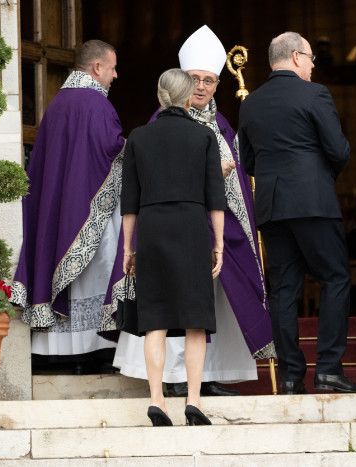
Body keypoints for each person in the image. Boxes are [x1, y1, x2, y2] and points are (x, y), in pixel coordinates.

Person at [112, 25, 274, 398]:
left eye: (209, 81)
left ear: (218, 85)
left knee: (207, 305)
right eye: (194, 79)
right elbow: (147, 179)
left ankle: (207, 375)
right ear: (181, 82)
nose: (201, 87)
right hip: (175, 226)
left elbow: (233, 175)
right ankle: (171, 377)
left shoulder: (220, 125)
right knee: (169, 302)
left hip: (214, 224)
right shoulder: (158, 123)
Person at [238, 31, 356, 395]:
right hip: (312, 202)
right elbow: (338, 150)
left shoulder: (252, 103)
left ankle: (292, 375)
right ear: (296, 57)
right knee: (336, 278)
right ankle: (328, 370)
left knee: (283, 291)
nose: (312, 65)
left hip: (273, 207)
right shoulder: (315, 93)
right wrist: (319, 176)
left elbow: (248, 161)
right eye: (310, 58)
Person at [121, 69, 226, 426]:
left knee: (156, 321)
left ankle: (157, 400)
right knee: (196, 321)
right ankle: (194, 402)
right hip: (192, 228)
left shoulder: (138, 137)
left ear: (161, 95)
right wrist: (220, 244)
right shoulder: (203, 136)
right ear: (186, 97)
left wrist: (127, 248)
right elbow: (216, 198)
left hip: (152, 229)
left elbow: (129, 201)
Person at [13, 40, 124, 365]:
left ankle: (59, 355)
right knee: (98, 269)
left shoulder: (58, 104)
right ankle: (95, 350)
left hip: (58, 210)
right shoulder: (98, 106)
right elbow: (111, 152)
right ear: (97, 67)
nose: (115, 75)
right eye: (113, 68)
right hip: (89, 212)